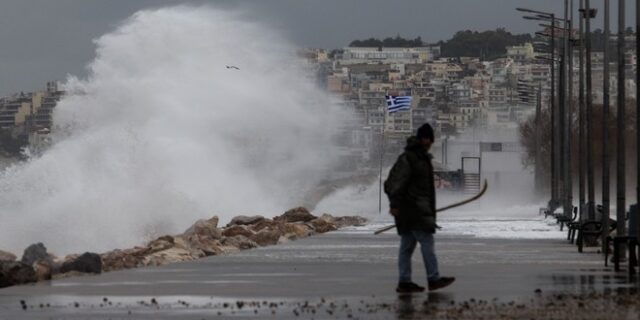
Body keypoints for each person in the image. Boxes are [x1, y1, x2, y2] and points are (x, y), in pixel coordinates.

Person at [384, 123, 455, 293]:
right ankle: (433, 278)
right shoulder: (410, 158)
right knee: (426, 243)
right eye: (428, 139)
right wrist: (394, 204)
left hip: (415, 210)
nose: (430, 142)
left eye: (431, 139)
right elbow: (394, 184)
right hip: (414, 211)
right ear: (423, 139)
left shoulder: (422, 158)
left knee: (407, 246)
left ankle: (404, 281)